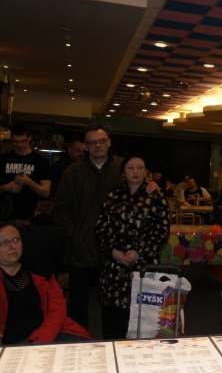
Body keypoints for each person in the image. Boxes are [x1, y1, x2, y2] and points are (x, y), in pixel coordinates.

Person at [53, 125, 158, 331]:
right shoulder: (73, 172)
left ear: (108, 142)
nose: (97, 145)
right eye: (92, 142)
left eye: (101, 141)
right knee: (78, 305)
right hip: (81, 251)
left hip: (115, 251)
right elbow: (60, 208)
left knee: (114, 306)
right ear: (85, 146)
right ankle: (79, 341)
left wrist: (152, 186)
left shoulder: (123, 167)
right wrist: (73, 234)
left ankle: (113, 343)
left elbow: (140, 187)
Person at [96, 154, 170, 339]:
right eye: (130, 167)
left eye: (139, 167)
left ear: (146, 172)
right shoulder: (112, 197)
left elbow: (162, 232)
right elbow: (100, 228)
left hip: (144, 266)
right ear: (123, 172)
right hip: (115, 269)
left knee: (145, 322)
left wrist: (139, 252)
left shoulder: (157, 197)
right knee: (114, 322)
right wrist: (113, 251)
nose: (135, 171)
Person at [0, 222, 91, 344]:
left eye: (16, 240)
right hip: (11, 343)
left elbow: (57, 309)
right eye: (4, 242)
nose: (13, 246)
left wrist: (40, 340)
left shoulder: (39, 271)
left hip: (47, 335)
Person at [0, 124, 52, 224]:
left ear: (29, 138)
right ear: (12, 140)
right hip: (4, 216)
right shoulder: (3, 159)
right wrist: (6, 187)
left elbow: (46, 192)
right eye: (16, 141)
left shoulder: (40, 161)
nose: (19, 144)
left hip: (27, 216)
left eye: (23, 141)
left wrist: (28, 182)